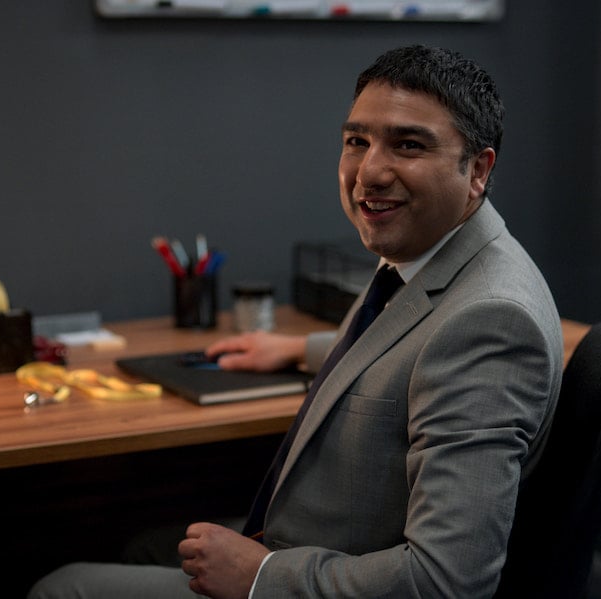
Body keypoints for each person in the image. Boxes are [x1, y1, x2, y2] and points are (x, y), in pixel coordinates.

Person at [29, 43, 563, 599]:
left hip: (316, 572)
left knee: (63, 587)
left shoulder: (491, 325)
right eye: (357, 141)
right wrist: (299, 350)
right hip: (316, 540)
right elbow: (411, 349)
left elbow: (446, 582)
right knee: (146, 545)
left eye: (407, 145)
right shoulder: (439, 260)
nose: (370, 172)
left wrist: (260, 578)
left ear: (477, 169)